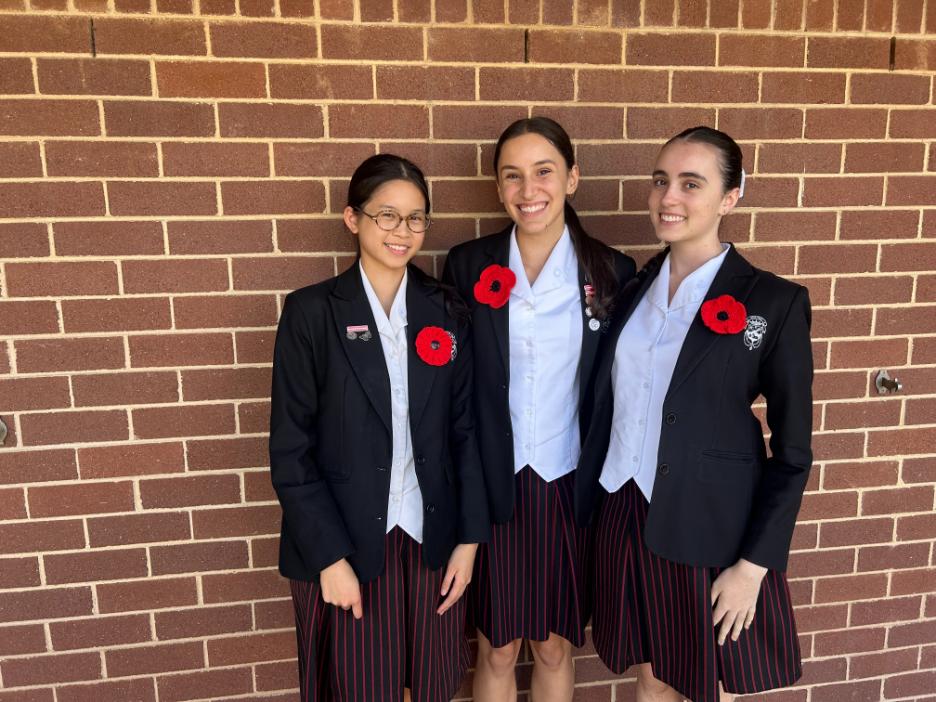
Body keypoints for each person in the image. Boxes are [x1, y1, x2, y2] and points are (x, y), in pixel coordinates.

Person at [576, 126, 811, 702]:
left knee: (708, 687)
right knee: (652, 676)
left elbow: (793, 452)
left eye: (690, 184)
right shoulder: (632, 288)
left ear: (730, 198)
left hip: (711, 526)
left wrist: (754, 565)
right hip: (624, 511)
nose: (668, 198)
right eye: (661, 181)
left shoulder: (773, 301)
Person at [269, 154, 490, 702]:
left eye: (416, 218)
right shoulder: (311, 313)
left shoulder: (446, 311)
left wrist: (468, 542)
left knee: (434, 685)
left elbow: (464, 432)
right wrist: (328, 558)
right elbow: (291, 450)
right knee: (359, 687)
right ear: (353, 218)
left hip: (430, 538)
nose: (402, 231)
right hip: (345, 546)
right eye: (386, 215)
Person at [442, 117, 636, 701]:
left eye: (544, 172)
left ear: (572, 178)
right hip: (492, 480)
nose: (529, 190)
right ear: (498, 187)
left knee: (553, 645)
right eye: (513, 176)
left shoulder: (610, 271)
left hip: (566, 482)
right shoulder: (468, 265)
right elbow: (455, 384)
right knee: (497, 646)